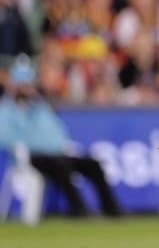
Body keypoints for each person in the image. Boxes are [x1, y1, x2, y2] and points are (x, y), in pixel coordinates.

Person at [0, 56, 121, 218]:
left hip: (56, 154)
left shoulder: (40, 108)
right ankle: (79, 210)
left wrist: (60, 147)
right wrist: (27, 146)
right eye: (22, 85)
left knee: (93, 164)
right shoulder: (6, 111)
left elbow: (58, 133)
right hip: (31, 157)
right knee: (61, 165)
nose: (26, 89)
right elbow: (5, 137)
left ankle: (112, 209)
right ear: (14, 87)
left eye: (28, 85)